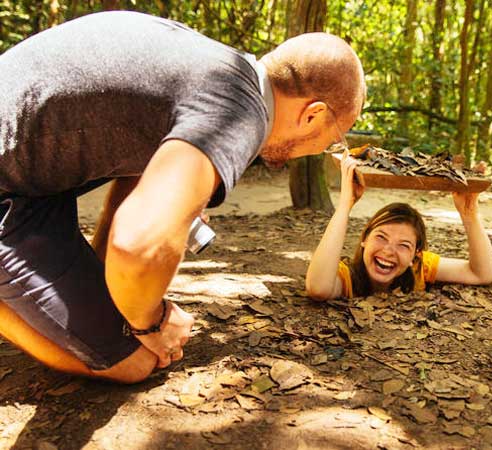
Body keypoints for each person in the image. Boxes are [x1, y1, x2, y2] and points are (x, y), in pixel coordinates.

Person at [0, 11, 366, 383]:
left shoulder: (217, 67)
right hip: (13, 189)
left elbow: (139, 172)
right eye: (335, 138)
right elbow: (137, 243)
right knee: (133, 361)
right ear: (313, 114)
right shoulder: (240, 112)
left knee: (119, 314)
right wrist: (150, 322)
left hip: (31, 178)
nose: (327, 149)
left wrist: (111, 287)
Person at [306, 152, 492, 300]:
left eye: (404, 245)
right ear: (364, 239)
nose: (388, 251)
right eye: (381, 237)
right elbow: (318, 289)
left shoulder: (419, 268)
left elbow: (483, 274)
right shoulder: (346, 276)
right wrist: (345, 205)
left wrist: (469, 214)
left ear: (416, 255)